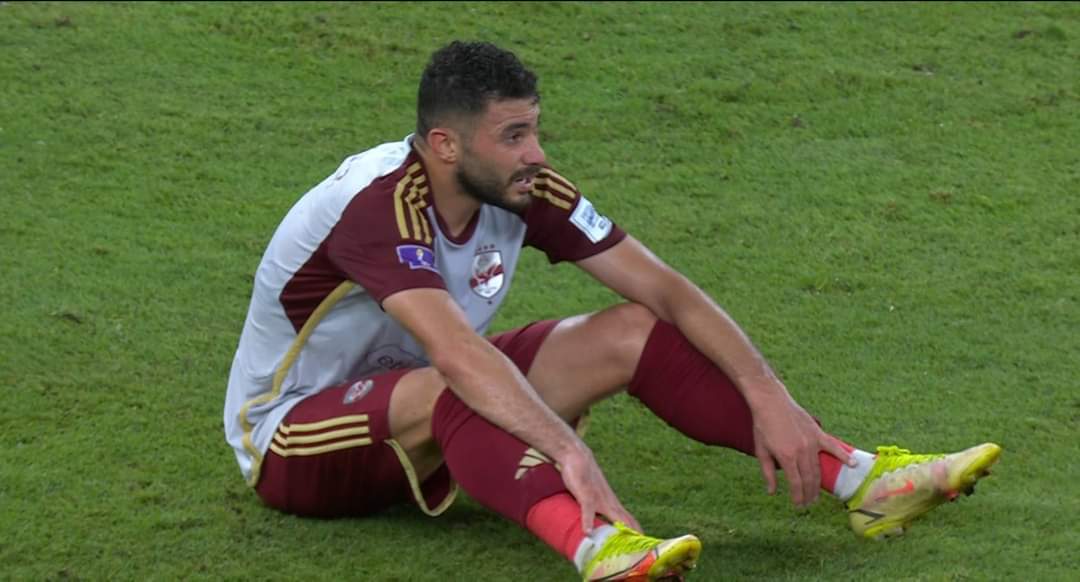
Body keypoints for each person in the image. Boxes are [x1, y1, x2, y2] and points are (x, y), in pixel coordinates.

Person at [224, 41, 1000, 581]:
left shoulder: (523, 188)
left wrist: (769, 393)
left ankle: (861, 480)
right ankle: (599, 548)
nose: (537, 152)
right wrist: (567, 449)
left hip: (428, 393)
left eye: (535, 129)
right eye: (514, 135)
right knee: (461, 377)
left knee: (633, 331)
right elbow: (458, 357)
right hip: (294, 438)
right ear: (446, 145)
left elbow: (666, 290)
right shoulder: (378, 207)